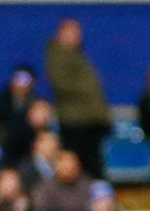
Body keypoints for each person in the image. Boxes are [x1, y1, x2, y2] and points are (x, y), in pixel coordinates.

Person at [43, 19, 111, 176]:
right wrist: (86, 89)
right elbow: (61, 83)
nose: (77, 36)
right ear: (61, 33)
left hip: (90, 121)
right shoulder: (58, 56)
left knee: (93, 166)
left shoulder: (77, 55)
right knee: (80, 166)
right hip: (76, 122)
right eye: (72, 32)